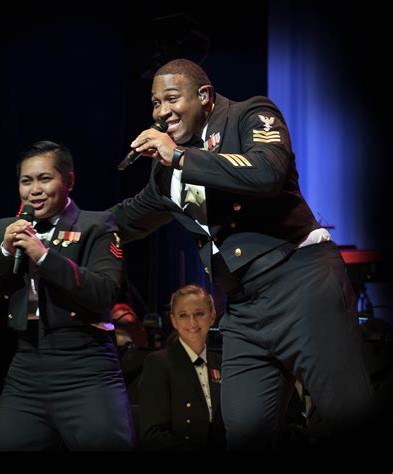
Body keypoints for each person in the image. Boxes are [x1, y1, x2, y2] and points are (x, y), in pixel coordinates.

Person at [110, 58, 376, 452]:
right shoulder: (165, 173)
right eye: (154, 103)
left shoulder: (250, 114)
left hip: (300, 282)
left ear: (204, 96)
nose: (161, 112)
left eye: (170, 99)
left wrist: (181, 157)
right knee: (244, 428)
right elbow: (128, 217)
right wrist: (62, 223)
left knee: (347, 413)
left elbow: (266, 172)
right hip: (244, 309)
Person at [0, 140, 134, 451]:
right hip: (27, 366)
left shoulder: (97, 225)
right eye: (26, 181)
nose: (34, 190)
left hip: (86, 365)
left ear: (68, 181)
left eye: (45, 179)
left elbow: (104, 293)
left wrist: (44, 257)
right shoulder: (6, 229)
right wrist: (4, 250)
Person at [138, 284, 225, 451]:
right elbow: (152, 434)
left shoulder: (223, 363)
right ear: (173, 320)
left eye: (199, 313)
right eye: (183, 315)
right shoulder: (159, 363)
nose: (192, 322)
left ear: (212, 316)